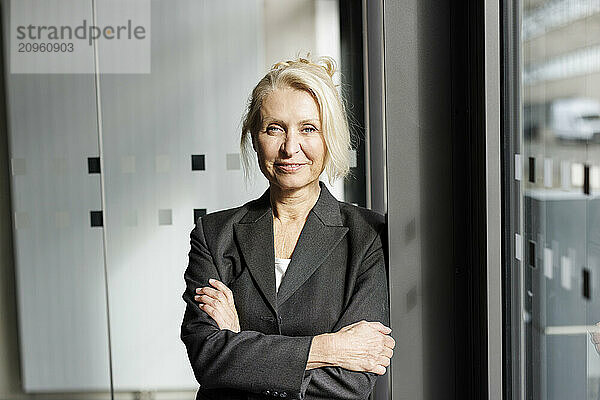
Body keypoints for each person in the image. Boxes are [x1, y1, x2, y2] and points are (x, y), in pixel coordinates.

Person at [180, 56, 394, 400]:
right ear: (254, 137)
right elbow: (208, 358)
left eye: (308, 129)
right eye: (274, 128)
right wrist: (330, 348)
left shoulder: (369, 236)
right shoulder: (214, 234)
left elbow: (352, 383)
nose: (290, 147)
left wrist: (239, 346)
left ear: (329, 137)